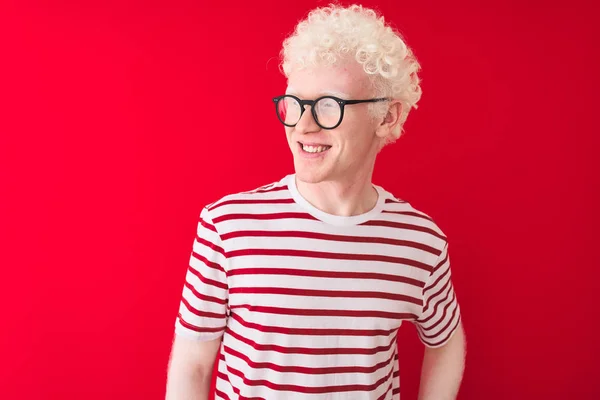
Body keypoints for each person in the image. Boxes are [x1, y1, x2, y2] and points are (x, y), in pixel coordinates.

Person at [166, 4, 466, 400]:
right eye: (295, 103)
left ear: (388, 117)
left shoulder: (420, 243)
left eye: (329, 105)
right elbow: (193, 362)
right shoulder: (227, 226)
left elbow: (446, 342)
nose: (302, 125)